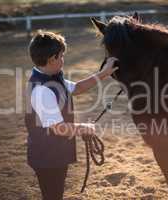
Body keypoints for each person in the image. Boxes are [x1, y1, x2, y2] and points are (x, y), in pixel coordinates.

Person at [25, 30, 118, 200]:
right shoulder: (42, 90)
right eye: (61, 56)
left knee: (55, 193)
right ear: (52, 58)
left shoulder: (52, 76)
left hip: (55, 152)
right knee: (52, 195)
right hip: (46, 156)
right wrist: (84, 128)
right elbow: (59, 128)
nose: (63, 60)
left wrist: (105, 73)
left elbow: (77, 88)